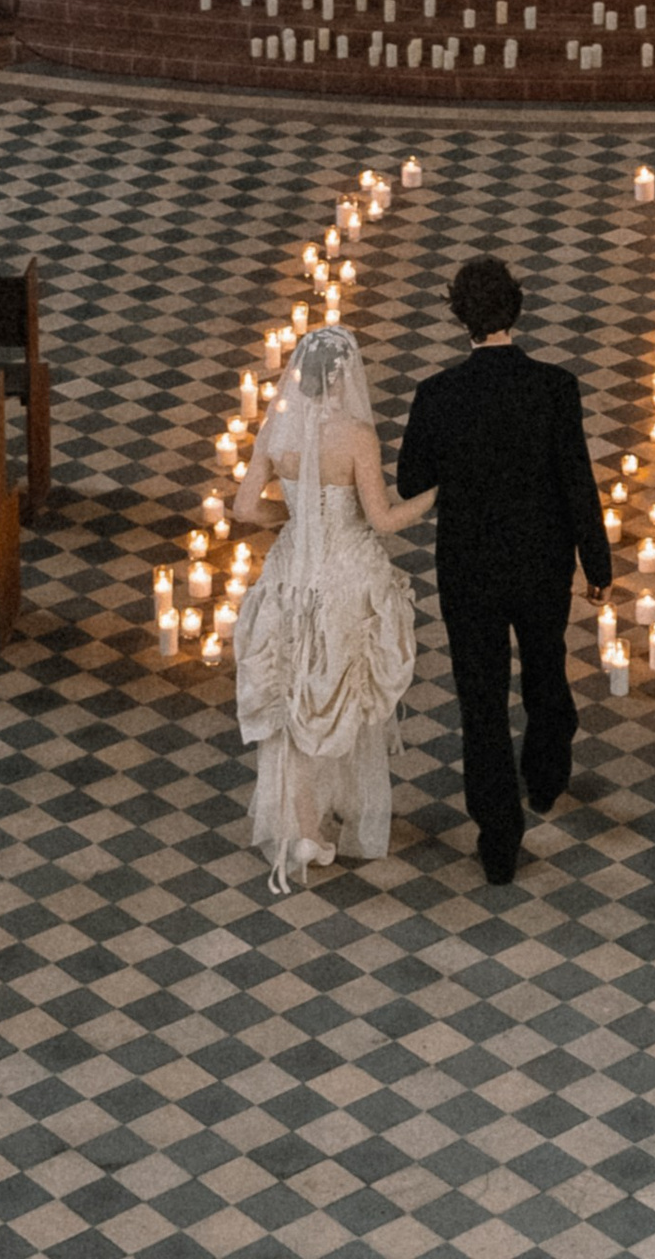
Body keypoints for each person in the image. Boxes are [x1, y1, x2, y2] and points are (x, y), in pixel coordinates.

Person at [392, 255, 613, 884]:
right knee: (545, 669)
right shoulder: (555, 386)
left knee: (481, 701)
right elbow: (578, 482)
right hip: (543, 561)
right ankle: (545, 774)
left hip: (469, 569)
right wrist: (597, 563)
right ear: (516, 308)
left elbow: (412, 481)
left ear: (459, 315)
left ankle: (499, 836)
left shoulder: (437, 395)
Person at [229, 325, 420, 894]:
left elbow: (244, 510)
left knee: (291, 696)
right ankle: (322, 821)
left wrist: (288, 523)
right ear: (342, 375)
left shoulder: (277, 430)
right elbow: (383, 519)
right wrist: (440, 493)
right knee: (334, 693)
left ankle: (304, 826)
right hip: (343, 577)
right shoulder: (356, 435)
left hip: (290, 573)